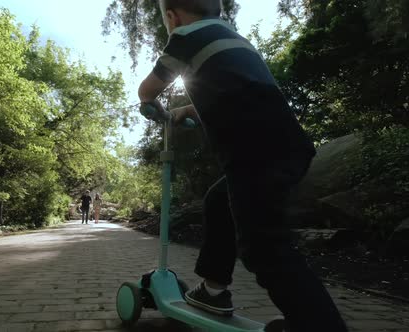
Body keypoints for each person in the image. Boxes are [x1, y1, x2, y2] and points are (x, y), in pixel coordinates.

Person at [137, 1, 347, 331]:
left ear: (171, 16)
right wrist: (186, 111)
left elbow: (147, 89)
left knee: (264, 246)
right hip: (286, 146)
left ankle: (318, 325)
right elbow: (231, 90)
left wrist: (150, 103)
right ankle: (213, 290)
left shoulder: (184, 37)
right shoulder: (234, 40)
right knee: (219, 201)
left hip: (253, 151)